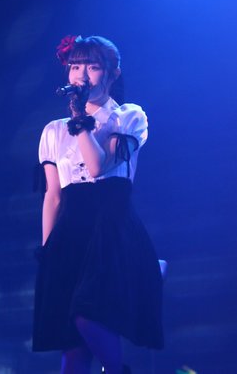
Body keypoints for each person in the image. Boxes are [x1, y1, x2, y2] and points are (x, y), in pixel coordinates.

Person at [33, 35, 163, 374]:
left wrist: (79, 119)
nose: (82, 75)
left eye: (92, 67)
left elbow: (96, 167)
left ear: (113, 73)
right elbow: (53, 195)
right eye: (75, 67)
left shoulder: (128, 117)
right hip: (70, 232)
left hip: (110, 225)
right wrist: (47, 250)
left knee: (87, 314)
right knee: (73, 348)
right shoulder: (53, 131)